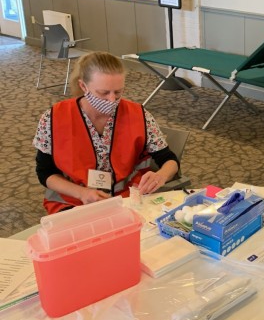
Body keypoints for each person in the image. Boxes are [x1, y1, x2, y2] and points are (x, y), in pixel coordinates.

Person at [33, 52, 179, 214]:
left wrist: (161, 175)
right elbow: (45, 172)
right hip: (73, 199)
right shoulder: (54, 118)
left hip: (126, 198)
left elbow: (169, 160)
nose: (112, 100)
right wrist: (81, 193)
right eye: (103, 93)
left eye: (118, 92)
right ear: (83, 86)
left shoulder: (138, 114)